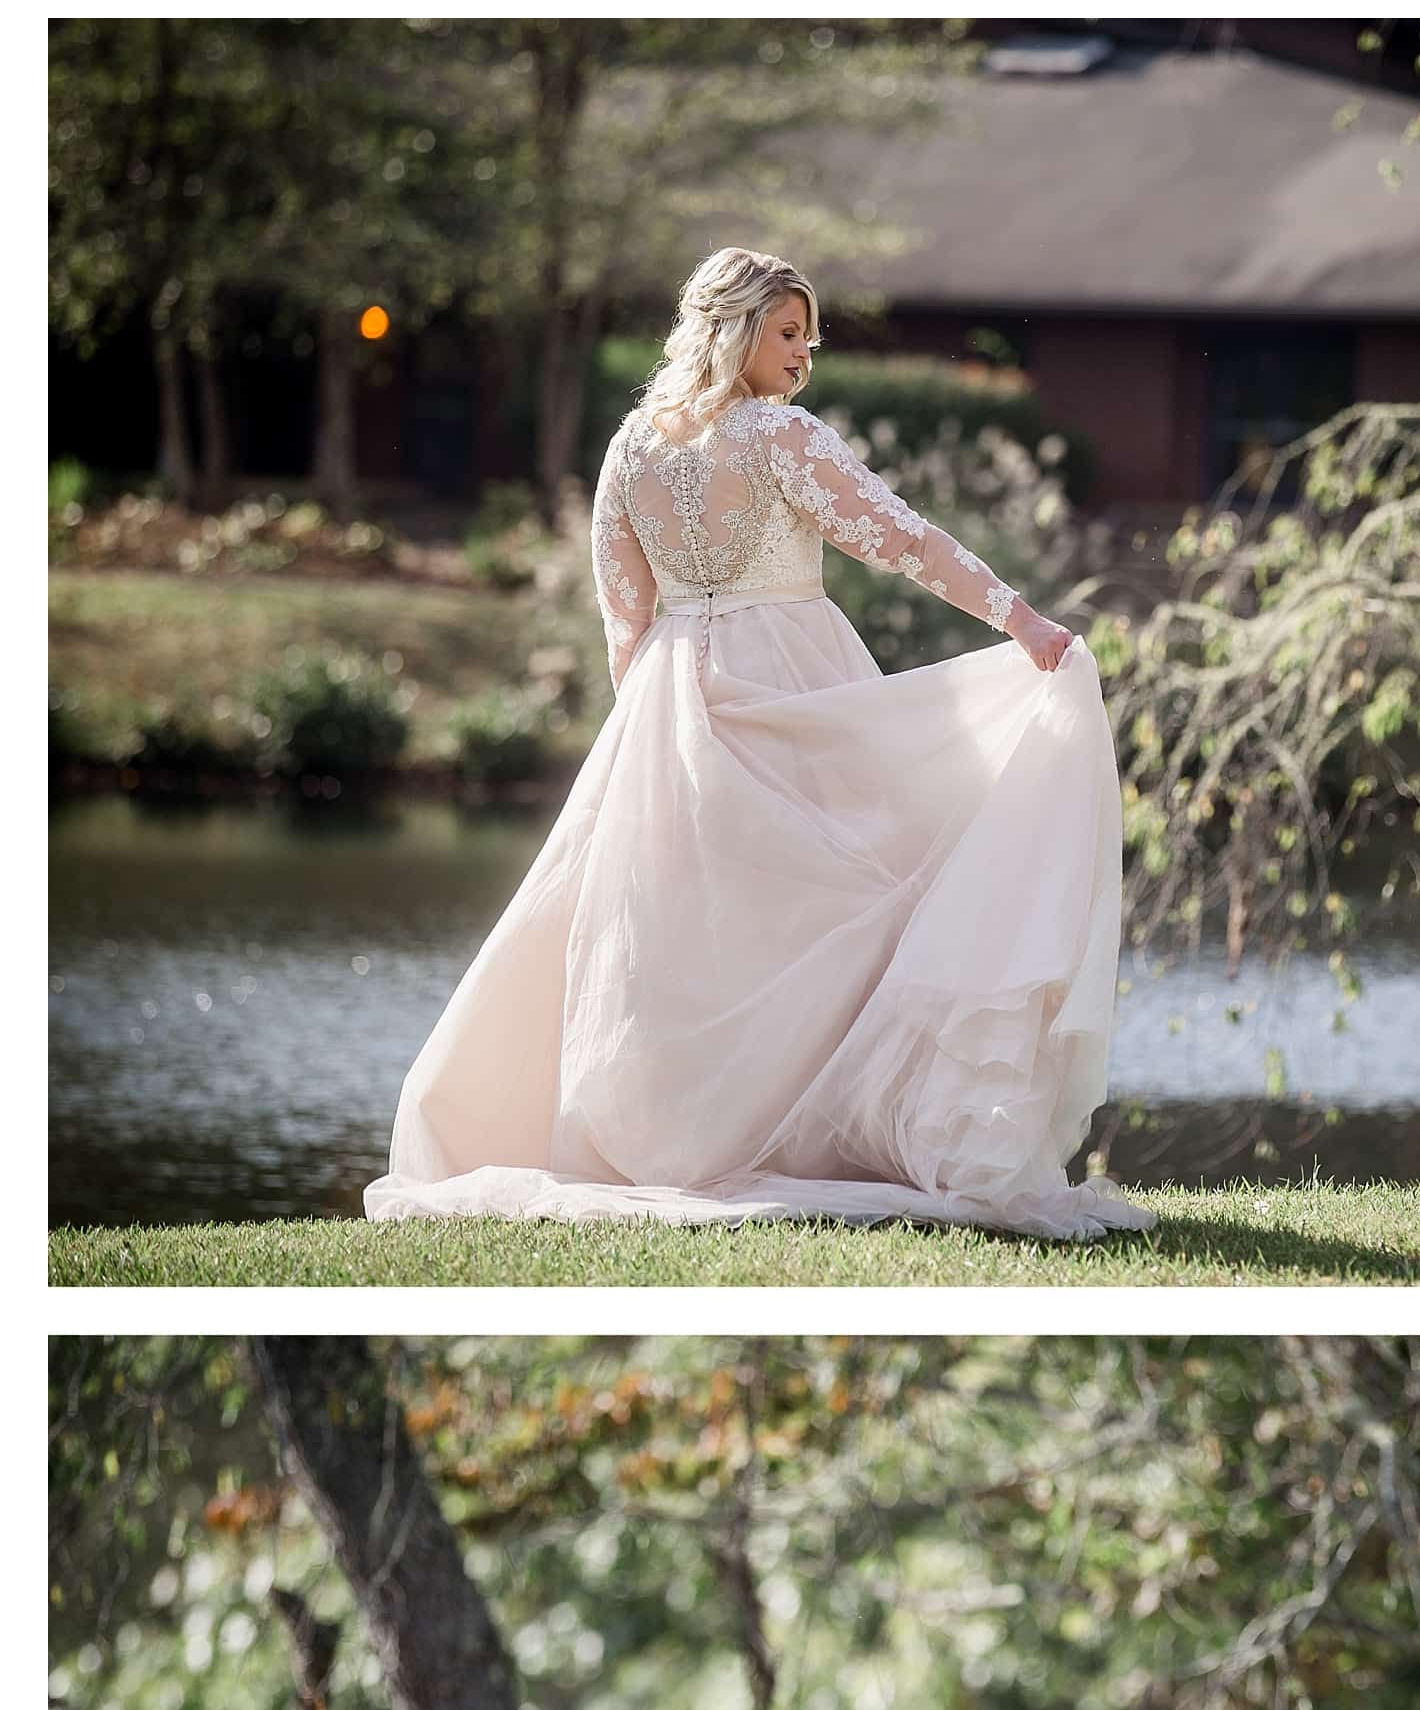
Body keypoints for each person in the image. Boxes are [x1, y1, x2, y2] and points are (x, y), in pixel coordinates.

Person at [364, 246, 1152, 1243]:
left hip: (662, 696)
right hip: (785, 672)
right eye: (788, 333)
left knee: (702, 925)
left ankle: (708, 1136)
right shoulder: (781, 438)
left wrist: (652, 725)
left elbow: (624, 615)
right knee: (860, 886)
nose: (803, 357)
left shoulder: (629, 448)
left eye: (809, 339)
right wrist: (1019, 620)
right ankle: (806, 1137)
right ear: (731, 328)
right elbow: (899, 540)